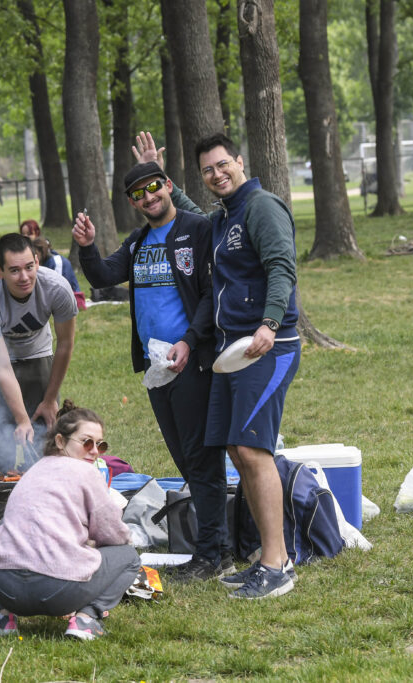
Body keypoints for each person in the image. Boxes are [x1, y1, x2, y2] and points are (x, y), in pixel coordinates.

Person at [135, 131, 300, 600]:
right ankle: (264, 559)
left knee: (253, 450)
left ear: (240, 161)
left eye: (223, 164)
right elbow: (196, 213)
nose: (217, 174)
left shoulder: (262, 207)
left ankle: (277, 563)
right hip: (233, 353)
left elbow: (281, 268)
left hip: (269, 346)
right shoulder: (226, 215)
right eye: (208, 169)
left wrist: (269, 324)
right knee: (236, 450)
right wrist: (161, 178)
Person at [72, 161, 232, 583]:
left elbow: (209, 295)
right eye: (139, 193)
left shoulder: (197, 230)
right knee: (185, 458)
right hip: (156, 369)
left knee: (201, 459)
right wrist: (88, 246)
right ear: (132, 202)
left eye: (154, 187)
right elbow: (104, 276)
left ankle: (213, 553)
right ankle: (216, 545)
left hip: (191, 362)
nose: (148, 197)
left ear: (168, 186)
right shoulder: (140, 241)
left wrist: (189, 340)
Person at [0, 401, 140, 640]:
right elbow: (114, 535)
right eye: (87, 442)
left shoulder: (32, 472)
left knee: (8, 528)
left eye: (101, 445)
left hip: (2, 586)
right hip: (56, 592)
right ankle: (87, 619)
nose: (95, 451)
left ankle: (5, 616)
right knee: (129, 557)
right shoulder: (88, 473)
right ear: (59, 441)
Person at [0, 233, 77, 476]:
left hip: (37, 354)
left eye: (29, 267)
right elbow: (1, 367)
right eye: (15, 270)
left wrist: (50, 399)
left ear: (37, 262)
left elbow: (65, 345)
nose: (24, 277)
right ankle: (0, 501)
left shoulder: (57, 289)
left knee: (45, 440)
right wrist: (21, 419)